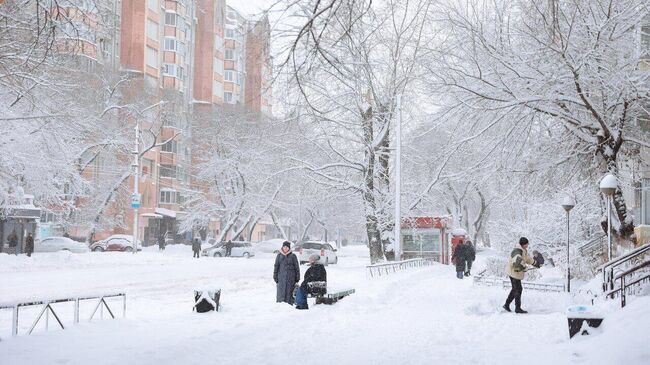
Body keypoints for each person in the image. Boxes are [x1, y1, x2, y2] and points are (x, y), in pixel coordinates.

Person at [503, 237, 541, 314]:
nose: (528, 245)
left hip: (516, 273)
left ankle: (507, 305)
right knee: (518, 289)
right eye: (527, 244)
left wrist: (535, 263)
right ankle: (517, 308)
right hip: (514, 273)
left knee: (515, 289)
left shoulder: (522, 250)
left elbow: (527, 258)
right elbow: (517, 263)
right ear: (523, 244)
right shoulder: (517, 251)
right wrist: (524, 267)